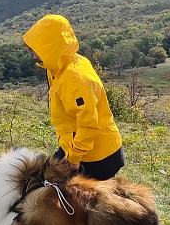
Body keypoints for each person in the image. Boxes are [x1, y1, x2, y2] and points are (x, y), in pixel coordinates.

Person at [23, 14, 125, 181]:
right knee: (46, 185)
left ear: (52, 47)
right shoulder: (56, 67)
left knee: (76, 203)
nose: (35, 56)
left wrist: (73, 159)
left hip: (97, 157)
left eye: (38, 50)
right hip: (75, 147)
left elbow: (88, 125)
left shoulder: (74, 77)